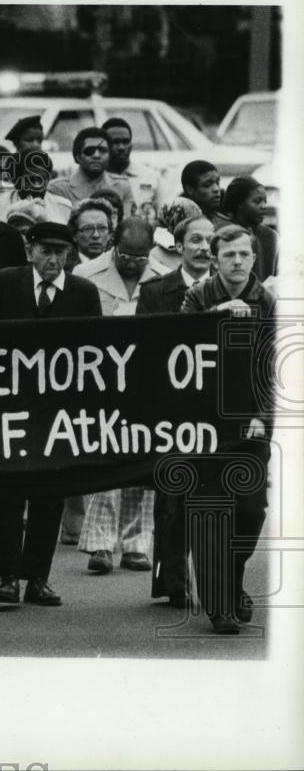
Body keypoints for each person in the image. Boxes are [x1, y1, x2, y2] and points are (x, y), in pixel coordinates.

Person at [0, 222, 103, 607]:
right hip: (10, 404)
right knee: (10, 492)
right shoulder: (5, 282)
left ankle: (38, 578)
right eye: (45, 251)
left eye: (60, 252)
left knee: (50, 494)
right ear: (30, 251)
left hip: (58, 410)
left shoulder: (83, 292)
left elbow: (95, 350)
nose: (52, 259)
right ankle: (8, 576)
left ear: (69, 254)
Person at [179, 224, 274, 634]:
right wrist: (215, 315)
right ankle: (219, 607)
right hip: (202, 422)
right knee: (208, 511)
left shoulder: (265, 300)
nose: (237, 262)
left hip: (249, 424)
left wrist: (262, 416)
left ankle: (232, 586)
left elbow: (273, 368)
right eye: (229, 255)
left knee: (250, 512)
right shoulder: (198, 295)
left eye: (244, 254)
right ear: (215, 259)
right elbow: (178, 346)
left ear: (254, 257)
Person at [72, 219, 164, 574]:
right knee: (105, 458)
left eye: (140, 258)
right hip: (100, 378)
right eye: (126, 256)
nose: (133, 263)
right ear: (113, 245)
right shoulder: (86, 274)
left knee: (143, 461)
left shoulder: (162, 275)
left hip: (145, 379)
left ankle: (136, 545)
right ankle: (99, 543)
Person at [135, 214, 214, 608]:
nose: (203, 247)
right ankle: (174, 581)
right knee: (172, 496)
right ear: (179, 246)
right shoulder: (155, 292)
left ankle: (215, 581)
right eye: (195, 240)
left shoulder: (230, 290)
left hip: (215, 407)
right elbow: (141, 351)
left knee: (214, 493)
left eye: (210, 241)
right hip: (170, 407)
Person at [73, 216, 168, 316]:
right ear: (114, 243)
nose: (131, 265)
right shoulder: (84, 275)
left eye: (140, 259)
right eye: (124, 257)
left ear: (151, 248)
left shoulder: (165, 278)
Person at [48, 127, 135, 212]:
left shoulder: (122, 187)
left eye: (103, 150)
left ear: (109, 156)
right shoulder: (59, 188)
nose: (96, 155)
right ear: (78, 157)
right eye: (89, 151)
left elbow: (126, 219)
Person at [0, 149, 72, 225]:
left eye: (41, 179)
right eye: (31, 180)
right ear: (15, 181)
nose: (37, 185)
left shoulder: (64, 207)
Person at [217, 176, 278, 283]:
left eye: (265, 201)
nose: (264, 206)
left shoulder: (270, 236)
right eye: (257, 201)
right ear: (239, 203)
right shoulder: (222, 235)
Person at [102, 117, 162, 218]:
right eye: (115, 142)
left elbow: (162, 217)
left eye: (126, 142)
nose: (121, 147)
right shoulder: (96, 178)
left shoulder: (150, 176)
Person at [67, 197, 115, 268]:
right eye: (88, 229)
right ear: (74, 235)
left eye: (102, 228)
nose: (96, 235)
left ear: (109, 234)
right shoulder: (63, 267)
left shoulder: (117, 267)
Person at [179, 160, 223, 226]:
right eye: (207, 184)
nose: (216, 189)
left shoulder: (226, 223)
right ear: (190, 189)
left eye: (217, 183)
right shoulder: (178, 225)